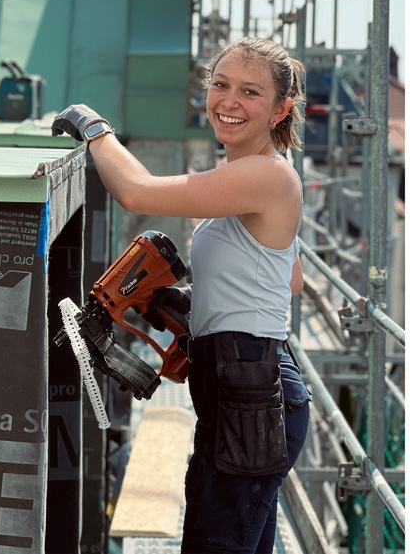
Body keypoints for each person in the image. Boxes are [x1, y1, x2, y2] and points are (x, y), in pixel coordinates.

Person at [52, 37, 311, 552]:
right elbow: (291, 276)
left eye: (250, 92)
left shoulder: (267, 175)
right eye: (220, 85)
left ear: (281, 109)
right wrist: (197, 302)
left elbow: (137, 192)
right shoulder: (252, 176)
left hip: (251, 387)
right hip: (242, 382)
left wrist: (94, 129)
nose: (229, 101)